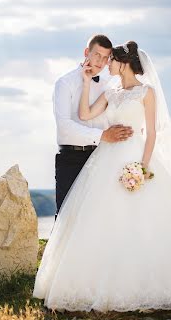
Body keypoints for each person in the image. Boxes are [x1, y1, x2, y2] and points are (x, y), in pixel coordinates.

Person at [33, 41, 171, 312]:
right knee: (102, 217)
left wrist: (143, 167)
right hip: (106, 158)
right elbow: (84, 114)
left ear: (123, 63)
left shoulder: (146, 92)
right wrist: (88, 82)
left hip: (136, 158)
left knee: (146, 219)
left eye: (111, 59)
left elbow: (151, 133)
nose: (107, 63)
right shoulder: (111, 92)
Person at [52, 34, 133, 221]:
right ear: (86, 52)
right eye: (97, 55)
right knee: (66, 217)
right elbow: (64, 126)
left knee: (98, 218)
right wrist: (102, 135)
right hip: (71, 159)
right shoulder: (64, 83)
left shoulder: (110, 85)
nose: (101, 62)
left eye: (106, 58)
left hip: (101, 158)